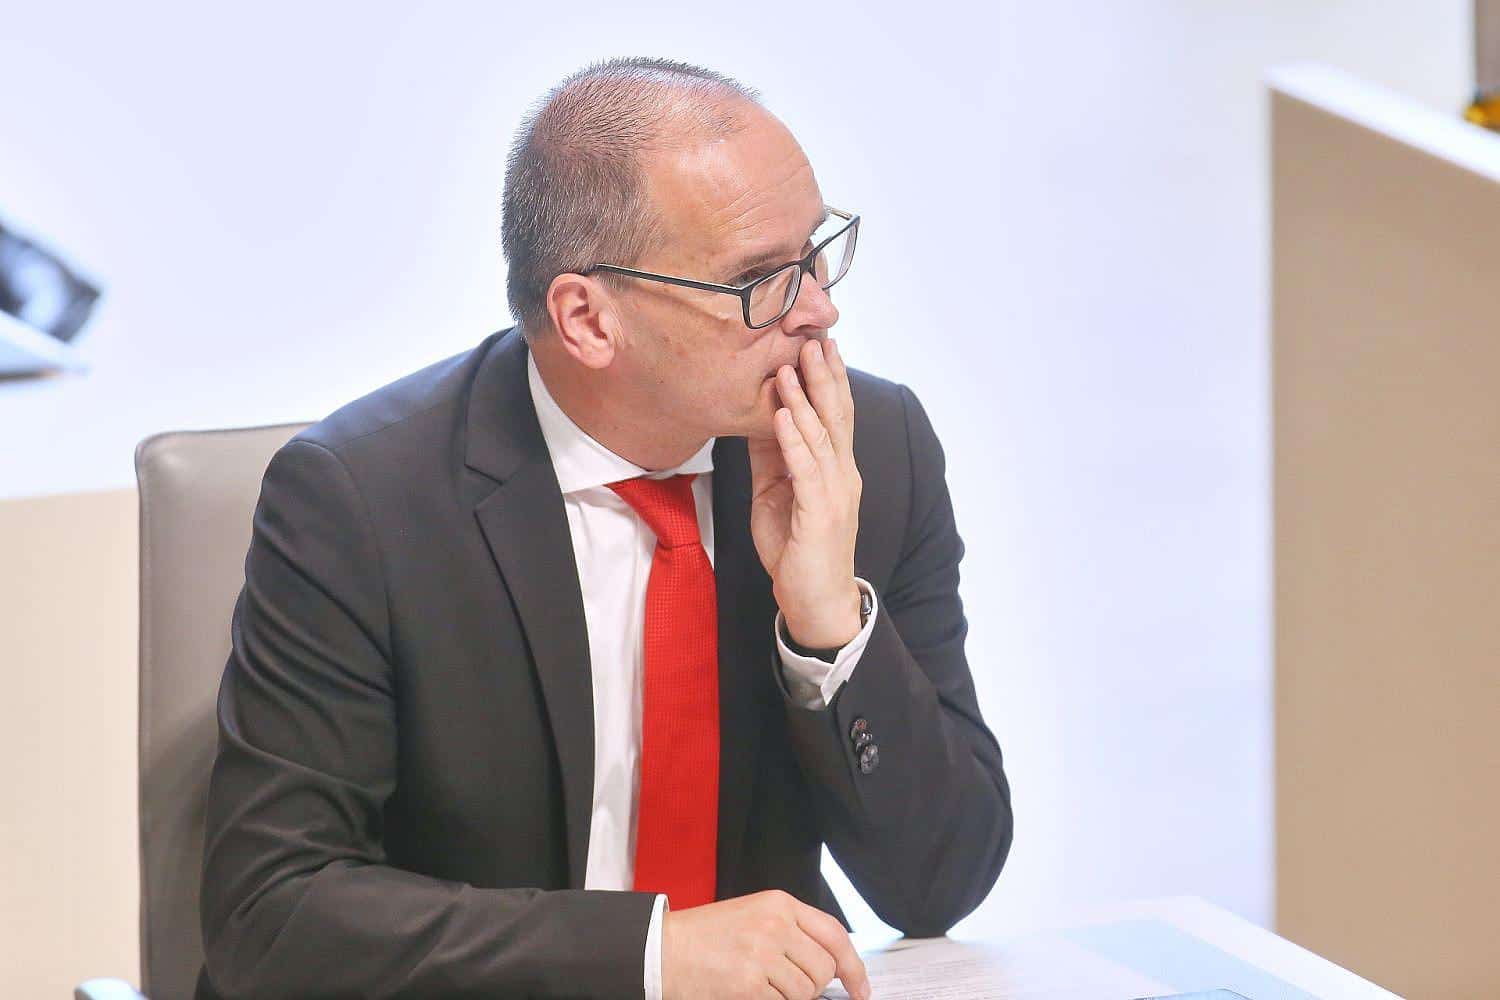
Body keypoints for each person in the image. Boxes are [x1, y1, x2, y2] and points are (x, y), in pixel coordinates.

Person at [198, 57, 1012, 1000]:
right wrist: (649, 957)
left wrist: (828, 624)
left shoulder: (867, 449)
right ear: (587, 319)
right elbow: (270, 914)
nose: (821, 311)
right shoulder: (360, 502)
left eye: (817, 254)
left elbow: (939, 885)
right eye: (761, 281)